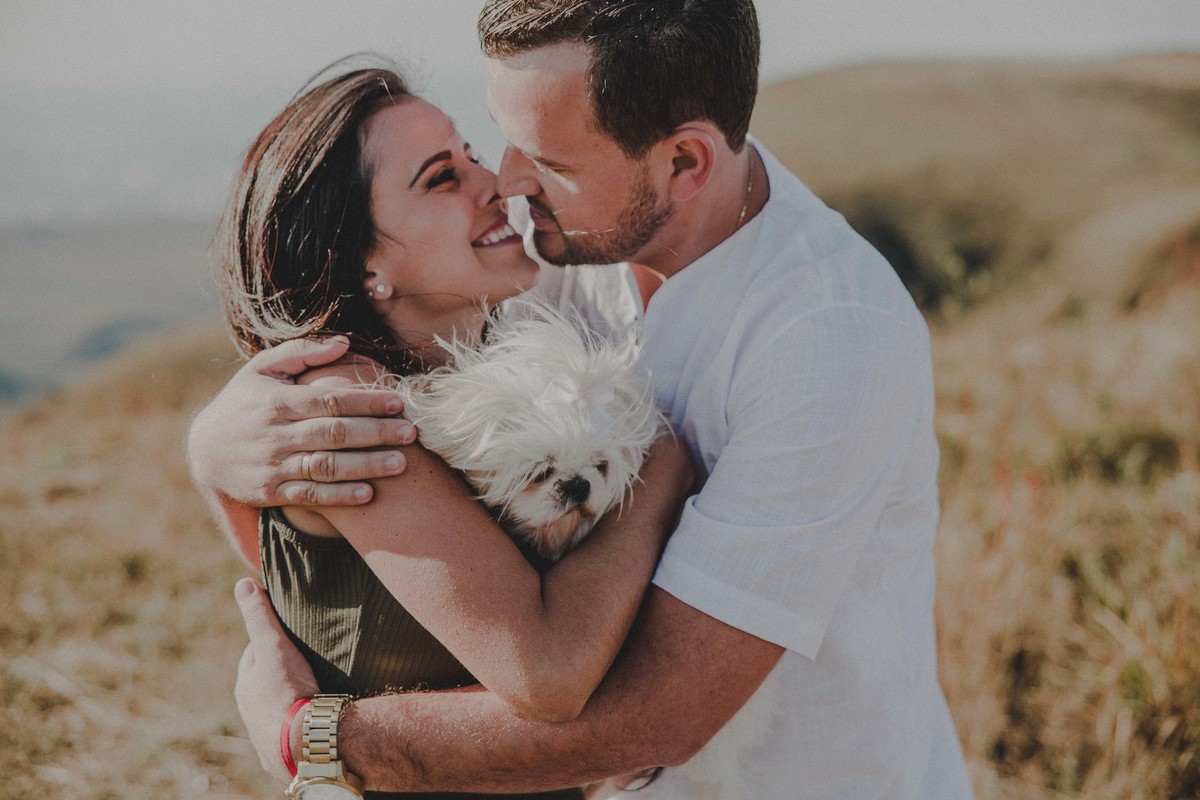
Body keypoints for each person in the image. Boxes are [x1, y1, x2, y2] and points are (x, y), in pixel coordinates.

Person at [189, 1, 976, 797]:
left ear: (684, 163)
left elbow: (658, 714)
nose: (507, 181)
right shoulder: (547, 250)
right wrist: (215, 448)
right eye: (498, 139)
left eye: (549, 160)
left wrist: (317, 738)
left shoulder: (828, 334)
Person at [201, 61, 695, 800]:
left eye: (470, 154)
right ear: (365, 262)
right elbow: (549, 673)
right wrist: (662, 469)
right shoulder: (350, 404)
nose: (491, 180)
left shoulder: (490, 362)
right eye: (441, 177)